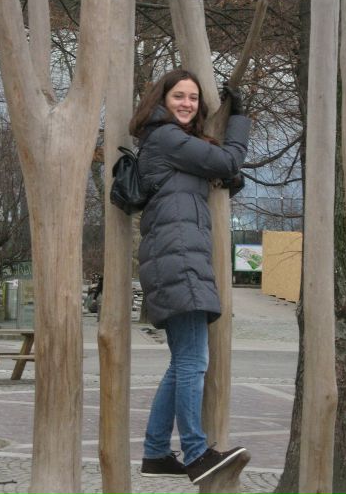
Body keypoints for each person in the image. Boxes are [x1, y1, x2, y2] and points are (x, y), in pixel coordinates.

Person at [129, 68, 251, 484]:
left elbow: (222, 173)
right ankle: (197, 453)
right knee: (194, 361)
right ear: (161, 100)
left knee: (182, 362)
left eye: (194, 98)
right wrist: (240, 119)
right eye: (179, 96)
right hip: (178, 259)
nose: (187, 103)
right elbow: (229, 160)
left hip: (176, 257)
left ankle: (156, 452)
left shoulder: (173, 142)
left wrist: (226, 175)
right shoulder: (166, 137)